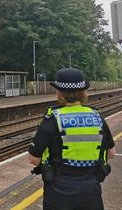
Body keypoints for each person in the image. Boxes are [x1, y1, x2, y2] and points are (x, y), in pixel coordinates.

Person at [28, 68, 116, 210]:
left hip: (59, 190)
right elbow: (111, 153)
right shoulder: (97, 117)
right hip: (91, 189)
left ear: (60, 93)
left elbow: (33, 159)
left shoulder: (52, 119)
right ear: (83, 92)